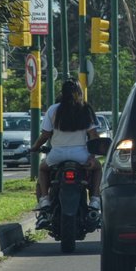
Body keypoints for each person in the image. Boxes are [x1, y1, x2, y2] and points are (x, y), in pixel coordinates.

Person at [29, 79, 103, 210]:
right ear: (80, 92)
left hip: (57, 155)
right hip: (80, 155)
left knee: (42, 169)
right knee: (97, 168)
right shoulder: (86, 109)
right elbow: (94, 136)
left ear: (62, 93)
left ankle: (45, 199)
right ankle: (95, 199)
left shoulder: (53, 110)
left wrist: (35, 147)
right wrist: (91, 157)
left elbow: (45, 135)